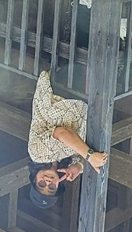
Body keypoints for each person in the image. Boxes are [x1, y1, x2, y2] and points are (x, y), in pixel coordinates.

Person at [27, 66, 108, 210]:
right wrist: (78, 167)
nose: (48, 182)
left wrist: (89, 156)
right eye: (51, 188)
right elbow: (81, 153)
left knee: (95, 61)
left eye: (41, 184)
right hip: (83, 100)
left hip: (63, 92)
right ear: (58, 184)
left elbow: (62, 133)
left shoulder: (37, 154)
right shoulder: (66, 160)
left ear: (34, 179)